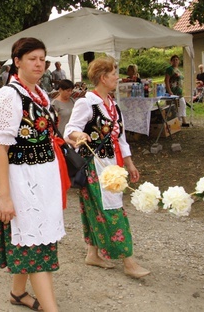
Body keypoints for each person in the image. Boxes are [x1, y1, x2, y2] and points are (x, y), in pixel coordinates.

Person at [0, 37, 67, 312]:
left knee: (34, 239)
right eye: (32, 58)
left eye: (43, 59)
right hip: (20, 181)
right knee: (35, 247)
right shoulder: (8, 96)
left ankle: (18, 293)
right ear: (17, 62)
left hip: (43, 179)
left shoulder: (40, 94)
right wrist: (4, 198)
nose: (39, 64)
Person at [64, 56, 150, 278]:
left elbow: (121, 139)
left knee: (95, 207)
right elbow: (69, 129)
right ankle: (128, 261)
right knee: (112, 210)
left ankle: (92, 254)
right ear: (103, 77)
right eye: (114, 73)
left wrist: (130, 164)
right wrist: (78, 134)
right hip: (93, 166)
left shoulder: (113, 106)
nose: (117, 77)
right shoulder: (87, 103)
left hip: (111, 165)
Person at [164, 55, 190, 127]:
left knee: (182, 104)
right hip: (173, 91)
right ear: (171, 61)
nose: (175, 61)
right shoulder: (169, 69)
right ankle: (177, 122)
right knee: (174, 107)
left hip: (179, 91)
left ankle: (183, 121)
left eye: (177, 60)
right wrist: (169, 90)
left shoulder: (178, 70)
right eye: (174, 60)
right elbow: (166, 80)